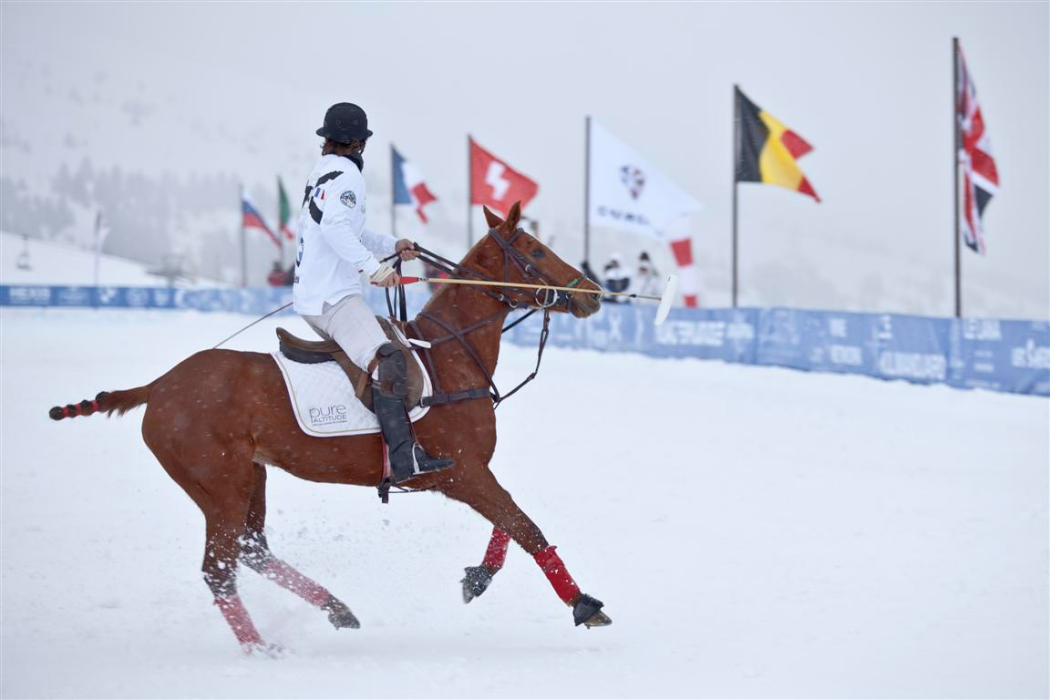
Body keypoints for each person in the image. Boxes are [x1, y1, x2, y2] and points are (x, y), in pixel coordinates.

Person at [292, 102, 452, 485]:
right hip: (333, 298)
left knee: (387, 343)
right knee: (390, 359)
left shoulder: (324, 171)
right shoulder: (348, 174)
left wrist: (391, 245)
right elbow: (335, 227)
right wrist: (374, 269)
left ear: (328, 139)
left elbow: (352, 230)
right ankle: (403, 458)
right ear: (359, 142)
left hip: (316, 294)